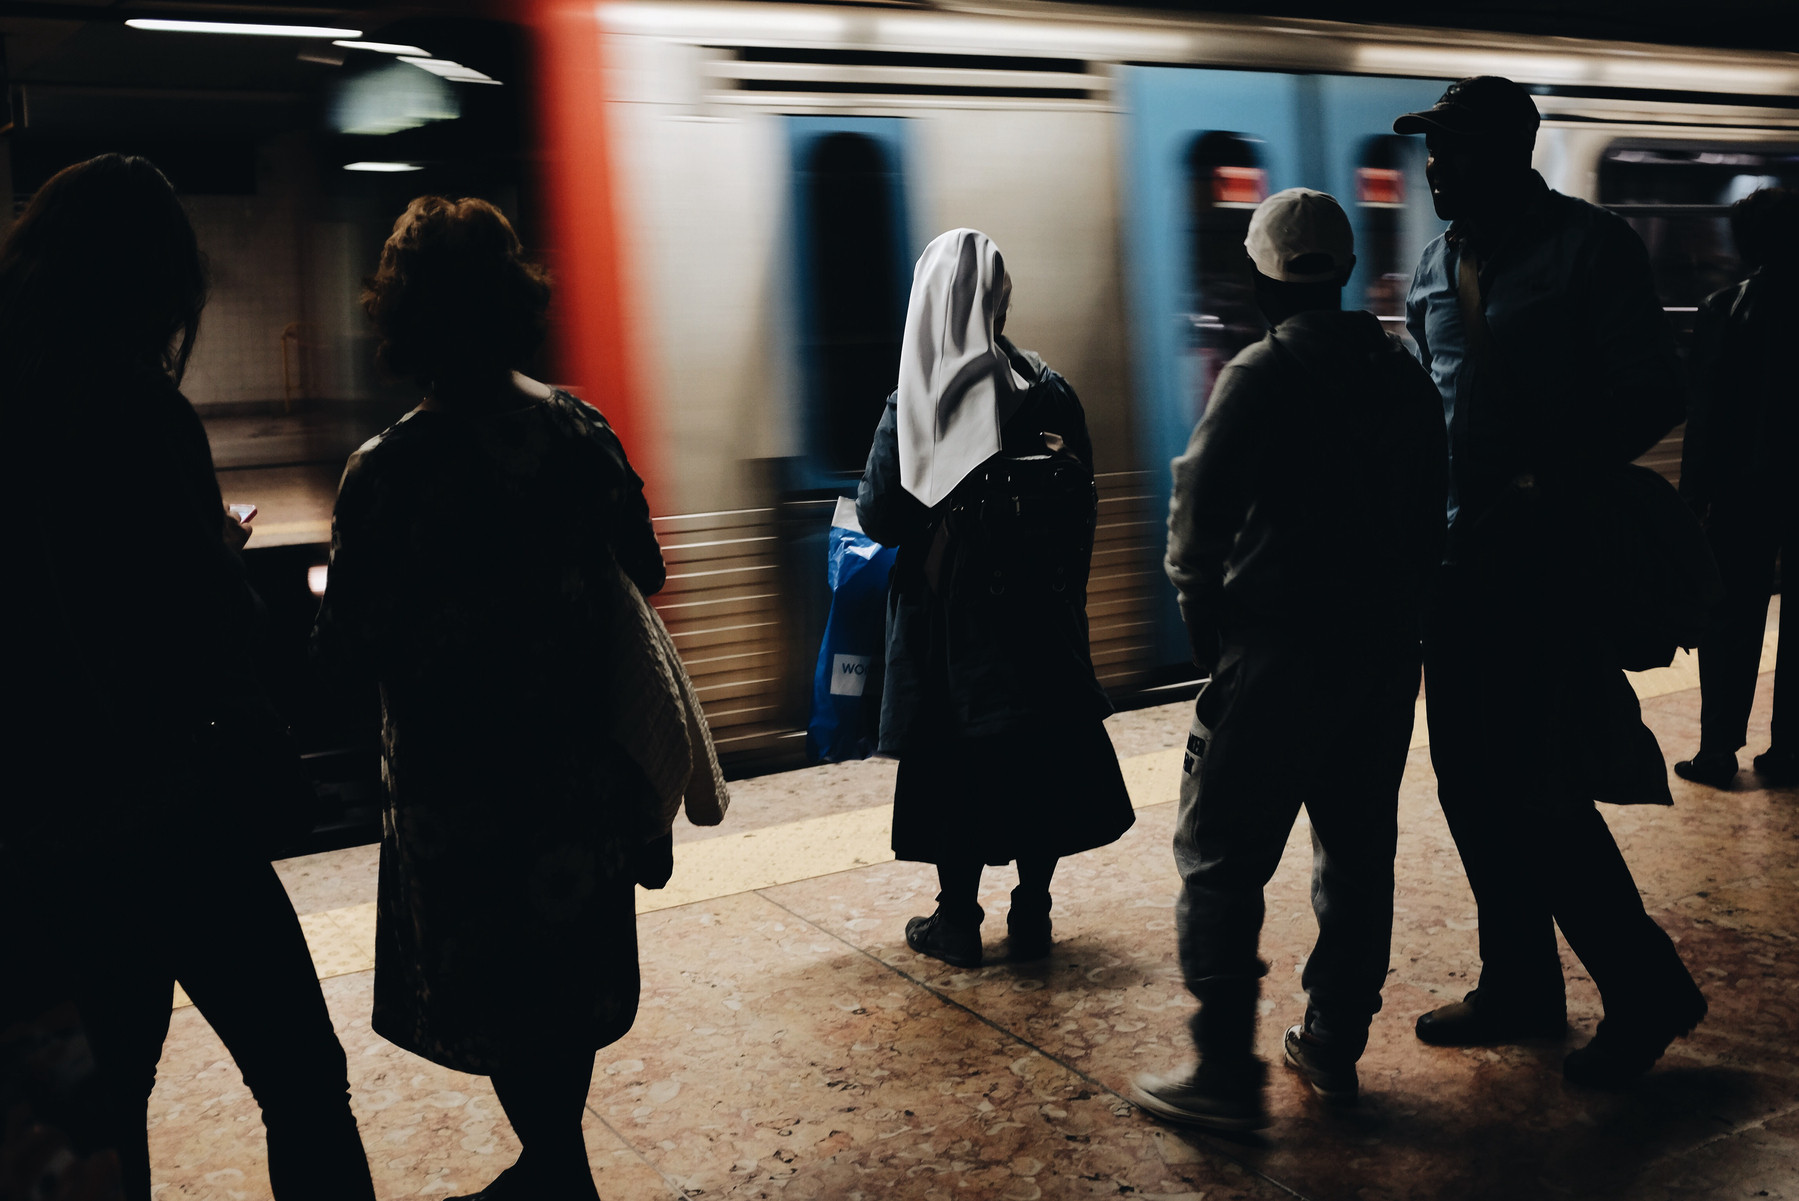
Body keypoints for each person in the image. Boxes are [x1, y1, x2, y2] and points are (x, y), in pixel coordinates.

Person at [0, 154, 377, 1199]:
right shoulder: (135, 410)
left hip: (40, 839)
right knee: (304, 1080)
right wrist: (213, 549)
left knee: (101, 1111)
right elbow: (204, 626)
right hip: (175, 815)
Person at [311, 196, 701, 1201]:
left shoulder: (384, 474)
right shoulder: (578, 430)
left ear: (403, 319)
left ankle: (554, 1169)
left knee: (497, 993)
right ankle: (553, 1161)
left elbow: (343, 658)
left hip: (457, 800)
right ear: (514, 301)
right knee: (561, 990)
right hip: (576, 781)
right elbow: (645, 569)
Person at [1396, 77, 1707, 1087]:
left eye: (1448, 149)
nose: (1431, 168)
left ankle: (1645, 984)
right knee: (1466, 786)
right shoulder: (1434, 268)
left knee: (1535, 788)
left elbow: (1655, 388)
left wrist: (1546, 480)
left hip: (1545, 565)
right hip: (1454, 570)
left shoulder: (1589, 248)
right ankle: (1518, 982)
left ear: (1505, 151)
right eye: (1427, 151)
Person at [1129, 190, 1446, 1130]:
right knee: (1356, 856)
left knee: (1219, 857)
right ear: (1345, 271)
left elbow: (1198, 512)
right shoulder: (1403, 373)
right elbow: (1434, 508)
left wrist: (1201, 613)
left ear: (1259, 280)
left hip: (1278, 653)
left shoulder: (1260, 373)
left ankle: (1224, 1072)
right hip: (1384, 656)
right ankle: (1332, 1043)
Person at [856, 228, 1135, 969]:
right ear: (1000, 301)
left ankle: (956, 921)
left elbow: (879, 516)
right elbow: (1083, 504)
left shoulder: (916, 400)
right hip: (1039, 622)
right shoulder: (1049, 389)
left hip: (950, 630)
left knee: (954, 765)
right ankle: (1033, 911)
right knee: (1036, 760)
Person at [1673, 187, 1796, 788]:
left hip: (1742, 490)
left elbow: (1707, 415)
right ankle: (1791, 749)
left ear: (1745, 246)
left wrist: (1693, 496)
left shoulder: (1724, 308)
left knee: (1732, 619)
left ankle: (1719, 749)